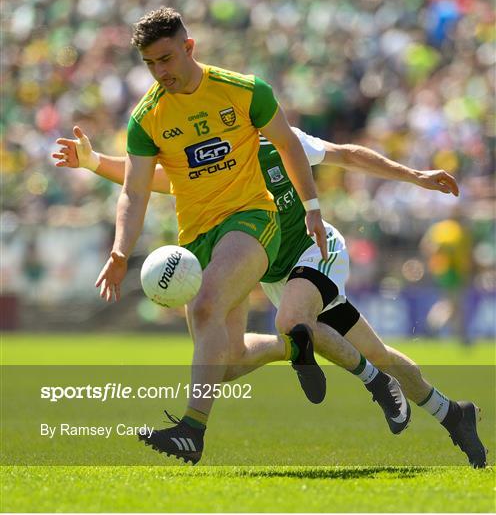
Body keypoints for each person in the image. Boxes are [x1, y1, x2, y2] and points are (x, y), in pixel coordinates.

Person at [53, 125, 487, 468]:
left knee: (293, 319)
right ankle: (451, 412)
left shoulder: (277, 140)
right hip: (276, 274)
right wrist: (93, 162)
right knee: (230, 363)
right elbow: (157, 180)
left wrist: (414, 175)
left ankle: (371, 381)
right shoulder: (212, 165)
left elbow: (347, 154)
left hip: (315, 249)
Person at [87, 6, 335, 465]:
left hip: (252, 220)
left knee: (205, 306)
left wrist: (313, 209)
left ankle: (191, 431)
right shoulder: (147, 117)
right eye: (151, 64)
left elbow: (287, 145)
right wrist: (121, 250)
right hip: (197, 237)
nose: (161, 72)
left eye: (166, 59)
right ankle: (295, 344)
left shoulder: (244, 90)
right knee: (227, 360)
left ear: (188, 47)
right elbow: (134, 192)